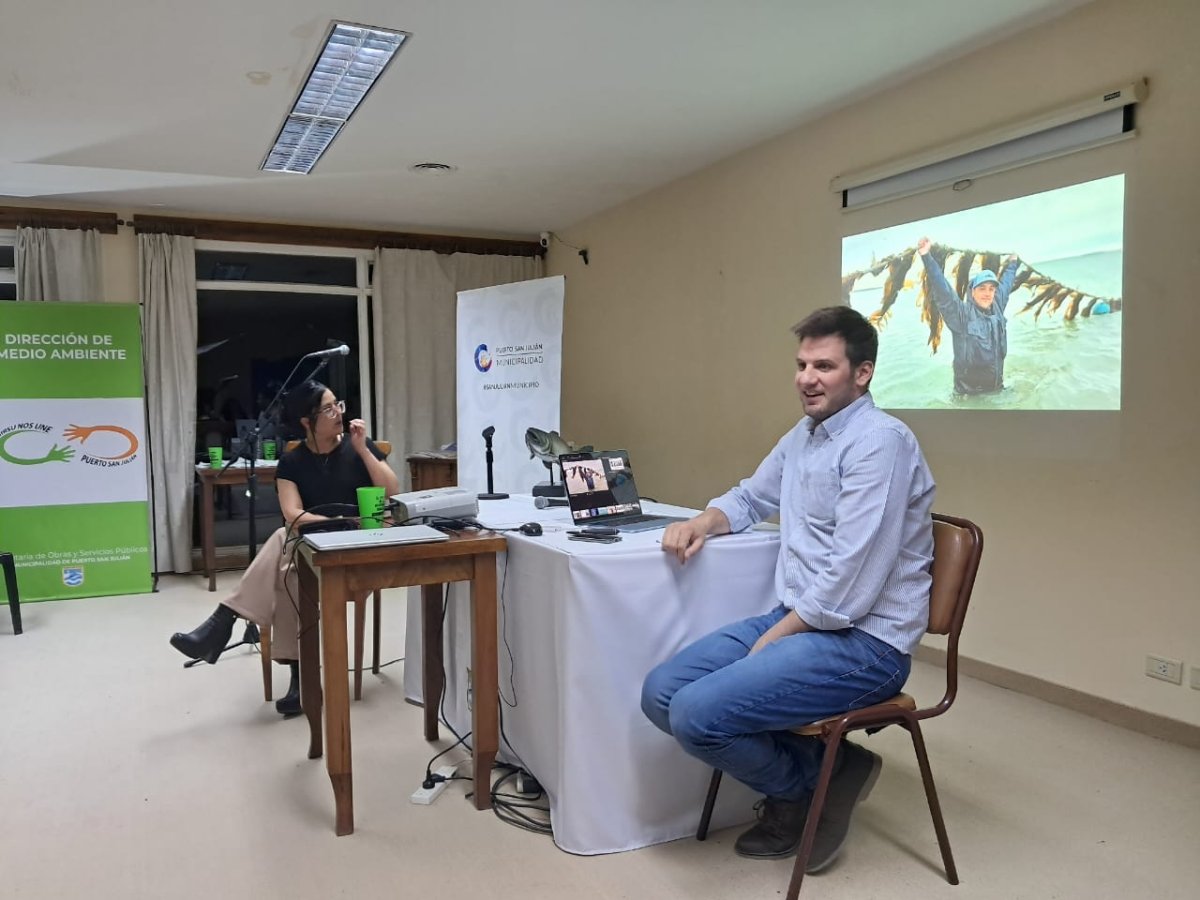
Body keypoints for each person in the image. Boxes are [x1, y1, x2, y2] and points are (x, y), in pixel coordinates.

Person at [640, 306, 935, 873]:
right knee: (661, 694)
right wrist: (704, 521)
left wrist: (776, 635)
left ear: (863, 373)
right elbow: (752, 497)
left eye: (824, 366)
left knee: (696, 715)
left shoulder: (882, 442)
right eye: (801, 365)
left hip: (867, 644)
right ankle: (828, 771)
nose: (806, 378)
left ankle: (801, 792)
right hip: (802, 616)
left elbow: (849, 583)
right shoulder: (805, 436)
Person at [170, 381, 400, 716]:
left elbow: (392, 491)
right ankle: (302, 682)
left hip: (359, 551)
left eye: (338, 405)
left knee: (282, 537)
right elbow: (293, 512)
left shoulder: (358, 447)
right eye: (327, 409)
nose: (338, 413)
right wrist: (335, 521)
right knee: (291, 577)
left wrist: (363, 450)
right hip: (315, 553)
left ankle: (224, 621)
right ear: (307, 421)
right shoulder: (292, 462)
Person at [918, 237, 1020, 395]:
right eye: (982, 288)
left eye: (991, 289)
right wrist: (926, 256)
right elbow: (942, 289)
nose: (987, 293)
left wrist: (1013, 262)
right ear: (973, 292)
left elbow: (1006, 283)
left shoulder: (997, 307)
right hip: (969, 396)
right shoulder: (962, 315)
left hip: (997, 389)